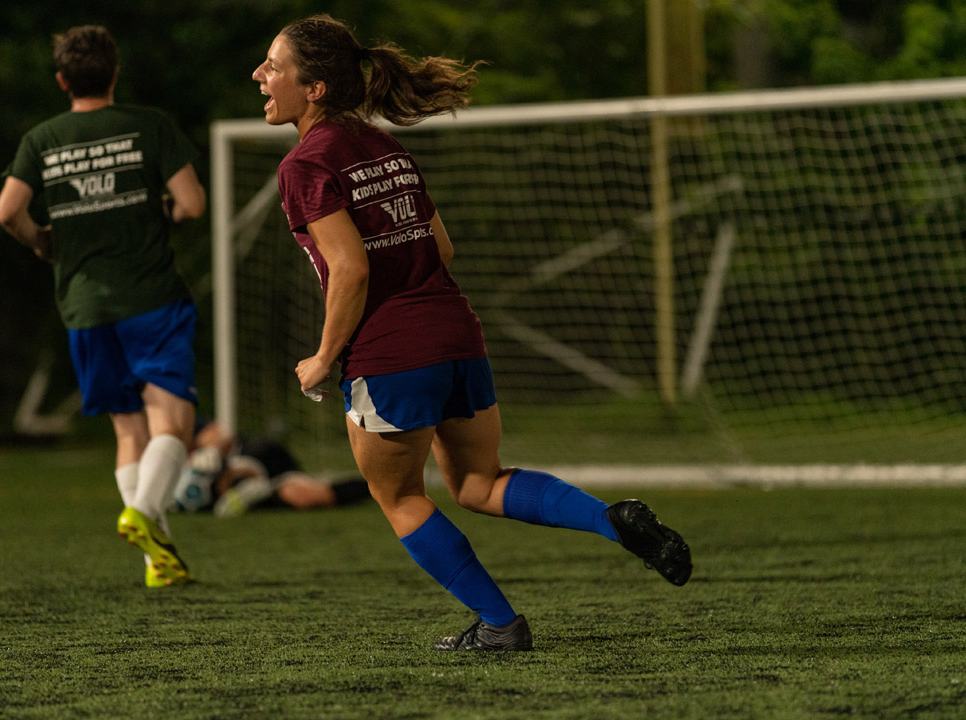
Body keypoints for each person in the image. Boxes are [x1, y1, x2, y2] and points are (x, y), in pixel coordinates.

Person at [252, 14, 693, 651]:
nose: (260, 75)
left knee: (400, 497)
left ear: (314, 87)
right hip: (458, 336)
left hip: (390, 352)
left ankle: (500, 625)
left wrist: (324, 358)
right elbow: (442, 248)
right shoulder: (387, 147)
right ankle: (613, 521)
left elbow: (350, 267)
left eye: (274, 66)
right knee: (478, 483)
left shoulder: (304, 164)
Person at [0, 25, 206, 589]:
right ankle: (141, 518)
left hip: (84, 306)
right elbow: (191, 203)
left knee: (127, 430)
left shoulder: (42, 138)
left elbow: (6, 211)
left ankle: (156, 563)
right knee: (173, 423)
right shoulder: (148, 125)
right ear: (115, 72)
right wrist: (162, 212)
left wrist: (40, 239)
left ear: (63, 80)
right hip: (151, 298)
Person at [170, 417, 371, 516]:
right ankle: (249, 489)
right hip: (229, 501)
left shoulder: (167, 418)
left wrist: (211, 451)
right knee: (302, 497)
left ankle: (380, 488)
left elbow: (218, 434)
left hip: (247, 457)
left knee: (231, 476)